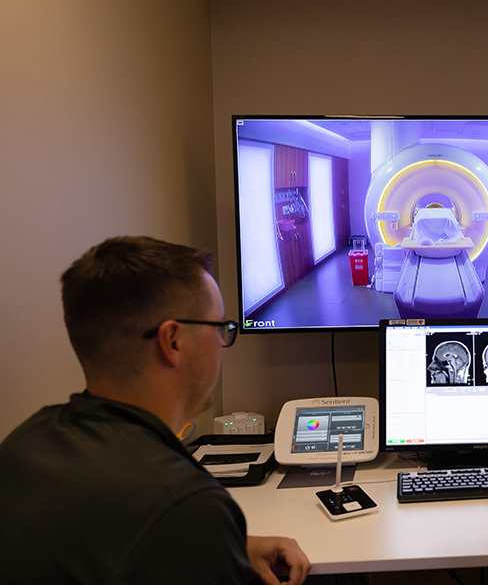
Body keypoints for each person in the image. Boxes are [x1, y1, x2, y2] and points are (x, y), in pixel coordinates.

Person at [0, 236, 311, 585]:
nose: (224, 345)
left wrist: (231, 545)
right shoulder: (187, 505)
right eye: (219, 327)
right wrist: (208, 540)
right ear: (173, 341)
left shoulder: (22, 446)